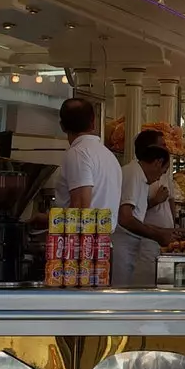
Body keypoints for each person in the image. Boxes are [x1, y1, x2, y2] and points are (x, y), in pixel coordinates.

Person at [55, 97, 124, 255]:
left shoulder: (78, 153)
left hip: (81, 248)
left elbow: (80, 207)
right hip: (102, 244)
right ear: (93, 123)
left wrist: (47, 220)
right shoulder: (108, 156)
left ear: (62, 126)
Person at [115, 142, 176, 286]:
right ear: (157, 162)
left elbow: (136, 217)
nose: (159, 177)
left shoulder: (141, 178)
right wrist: (157, 235)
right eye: (163, 171)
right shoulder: (133, 173)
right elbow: (125, 218)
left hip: (130, 247)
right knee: (120, 293)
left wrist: (167, 231)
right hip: (122, 247)